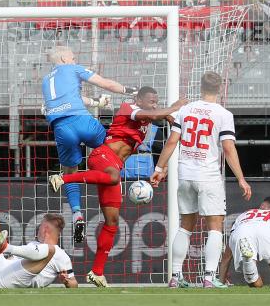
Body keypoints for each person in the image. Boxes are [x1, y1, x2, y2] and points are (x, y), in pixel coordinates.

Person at [49, 88, 187, 287]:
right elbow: (154, 114)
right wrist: (173, 107)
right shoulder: (127, 107)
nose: (154, 104)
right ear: (138, 99)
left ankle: (97, 272)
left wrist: (172, 120)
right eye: (150, 101)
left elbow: (161, 118)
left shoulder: (147, 118)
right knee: (113, 178)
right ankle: (64, 178)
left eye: (156, 101)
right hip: (103, 156)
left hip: (115, 166)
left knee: (112, 222)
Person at [152, 71, 252, 289]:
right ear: (220, 88)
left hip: (185, 175)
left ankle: (176, 277)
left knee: (185, 226)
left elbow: (171, 142)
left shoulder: (185, 110)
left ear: (201, 86)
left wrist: (159, 168)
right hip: (208, 176)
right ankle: (208, 278)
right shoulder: (223, 114)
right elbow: (228, 147)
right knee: (215, 227)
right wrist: (241, 179)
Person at [41, 45, 138, 245]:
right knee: (110, 148)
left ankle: (77, 214)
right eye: (74, 56)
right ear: (65, 58)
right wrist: (129, 91)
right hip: (82, 121)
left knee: (69, 172)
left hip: (61, 128)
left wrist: (95, 103)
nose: (75, 59)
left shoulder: (46, 80)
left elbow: (71, 97)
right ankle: (114, 184)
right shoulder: (73, 68)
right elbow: (105, 83)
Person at [0, 213, 78, 289]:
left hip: (6, 282)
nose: (38, 229)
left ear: (45, 229)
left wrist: (66, 280)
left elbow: (74, 285)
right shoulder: (33, 245)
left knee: (50, 250)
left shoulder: (61, 255)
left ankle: (6, 247)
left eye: (40, 226)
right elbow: (13, 262)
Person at [217, 196, 270, 288]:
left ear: (262, 205)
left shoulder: (245, 213)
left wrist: (221, 281)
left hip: (242, 231)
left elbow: (227, 256)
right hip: (266, 231)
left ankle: (248, 261)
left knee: (255, 284)